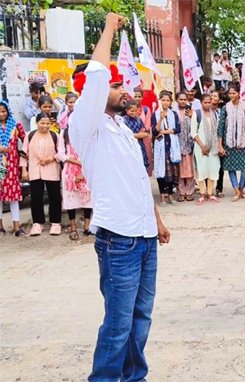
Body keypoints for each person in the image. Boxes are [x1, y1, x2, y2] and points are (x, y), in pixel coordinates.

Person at [68, 14, 170, 381]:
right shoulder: (86, 125)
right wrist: (110, 26)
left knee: (140, 318)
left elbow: (139, 182)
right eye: (114, 85)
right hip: (119, 242)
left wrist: (156, 221)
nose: (121, 88)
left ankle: (134, 377)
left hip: (143, 238)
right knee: (118, 324)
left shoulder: (122, 129)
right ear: (93, 95)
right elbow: (95, 77)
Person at [20, 113, 64, 236]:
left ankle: (55, 223)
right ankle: (37, 223)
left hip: (52, 169)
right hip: (35, 170)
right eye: (42, 123)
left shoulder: (56, 136)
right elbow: (23, 154)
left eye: (47, 123)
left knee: (54, 197)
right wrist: (24, 170)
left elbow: (61, 152)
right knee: (36, 197)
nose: (45, 126)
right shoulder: (30, 135)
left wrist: (51, 158)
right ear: (37, 123)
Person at [59, 123, 92, 240]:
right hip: (69, 172)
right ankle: (73, 227)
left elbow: (91, 153)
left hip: (86, 170)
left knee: (88, 199)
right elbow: (61, 155)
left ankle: (87, 226)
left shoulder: (87, 133)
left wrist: (83, 171)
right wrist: (78, 162)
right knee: (70, 200)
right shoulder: (64, 134)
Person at [218, 86, 245, 201]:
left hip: (243, 142)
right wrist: (220, 144)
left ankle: (241, 188)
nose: (231, 95)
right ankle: (236, 190)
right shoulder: (225, 108)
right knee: (231, 168)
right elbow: (221, 127)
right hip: (229, 142)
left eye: (234, 93)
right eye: (230, 93)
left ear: (239, 93)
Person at [0, 100, 27, 237]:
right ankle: (0, 228)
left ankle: (17, 227)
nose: (2, 114)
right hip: (0, 167)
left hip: (12, 167)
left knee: (13, 196)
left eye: (4, 111)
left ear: (8, 111)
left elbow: (26, 141)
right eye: (0, 112)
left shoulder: (16, 126)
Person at [151, 90, 181, 206]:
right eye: (163, 100)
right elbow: (154, 131)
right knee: (161, 172)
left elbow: (177, 129)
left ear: (170, 102)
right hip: (161, 147)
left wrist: (164, 131)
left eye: (167, 100)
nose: (165, 102)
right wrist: (160, 119)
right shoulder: (156, 114)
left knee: (171, 173)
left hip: (171, 147)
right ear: (160, 101)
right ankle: (162, 197)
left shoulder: (174, 114)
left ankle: (170, 195)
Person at [191, 93, 221, 205]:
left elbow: (217, 132)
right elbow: (193, 133)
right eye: (205, 102)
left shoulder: (215, 114)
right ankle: (202, 193)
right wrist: (202, 146)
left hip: (213, 147)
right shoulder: (197, 114)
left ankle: (210, 193)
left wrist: (218, 146)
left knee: (213, 169)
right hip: (200, 148)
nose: (208, 104)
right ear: (201, 103)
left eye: (209, 102)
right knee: (202, 169)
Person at [175, 92, 196, 202]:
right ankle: (181, 192)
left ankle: (189, 192)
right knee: (180, 171)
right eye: (181, 99)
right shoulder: (174, 113)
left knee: (190, 171)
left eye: (184, 100)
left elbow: (195, 127)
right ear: (177, 100)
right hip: (178, 145)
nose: (183, 101)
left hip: (189, 145)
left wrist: (192, 116)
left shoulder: (190, 112)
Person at [123, 100, 151, 173]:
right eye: (132, 111)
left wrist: (137, 135)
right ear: (126, 110)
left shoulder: (139, 120)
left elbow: (144, 132)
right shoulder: (123, 120)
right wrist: (137, 135)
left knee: (142, 164)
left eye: (135, 111)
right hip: (129, 146)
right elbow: (124, 135)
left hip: (140, 145)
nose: (134, 113)